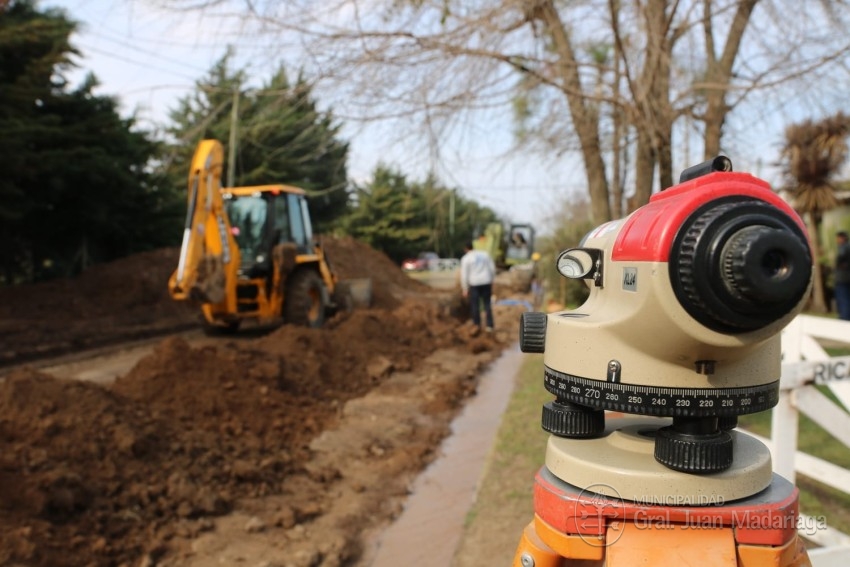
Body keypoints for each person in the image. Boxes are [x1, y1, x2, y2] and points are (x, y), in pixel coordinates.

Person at [460, 241, 496, 333]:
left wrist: (465, 289)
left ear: (465, 249)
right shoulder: (485, 255)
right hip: (486, 281)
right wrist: (492, 280)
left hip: (474, 283)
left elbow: (464, 275)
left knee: (475, 305)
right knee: (487, 304)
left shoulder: (466, 259)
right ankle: (489, 326)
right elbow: (492, 268)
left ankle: (477, 324)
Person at [835, 231, 850, 321]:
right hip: (847, 278)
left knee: (843, 299)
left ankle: (844, 318)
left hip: (842, 278)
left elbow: (840, 259)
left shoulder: (843, 248)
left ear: (842, 238)